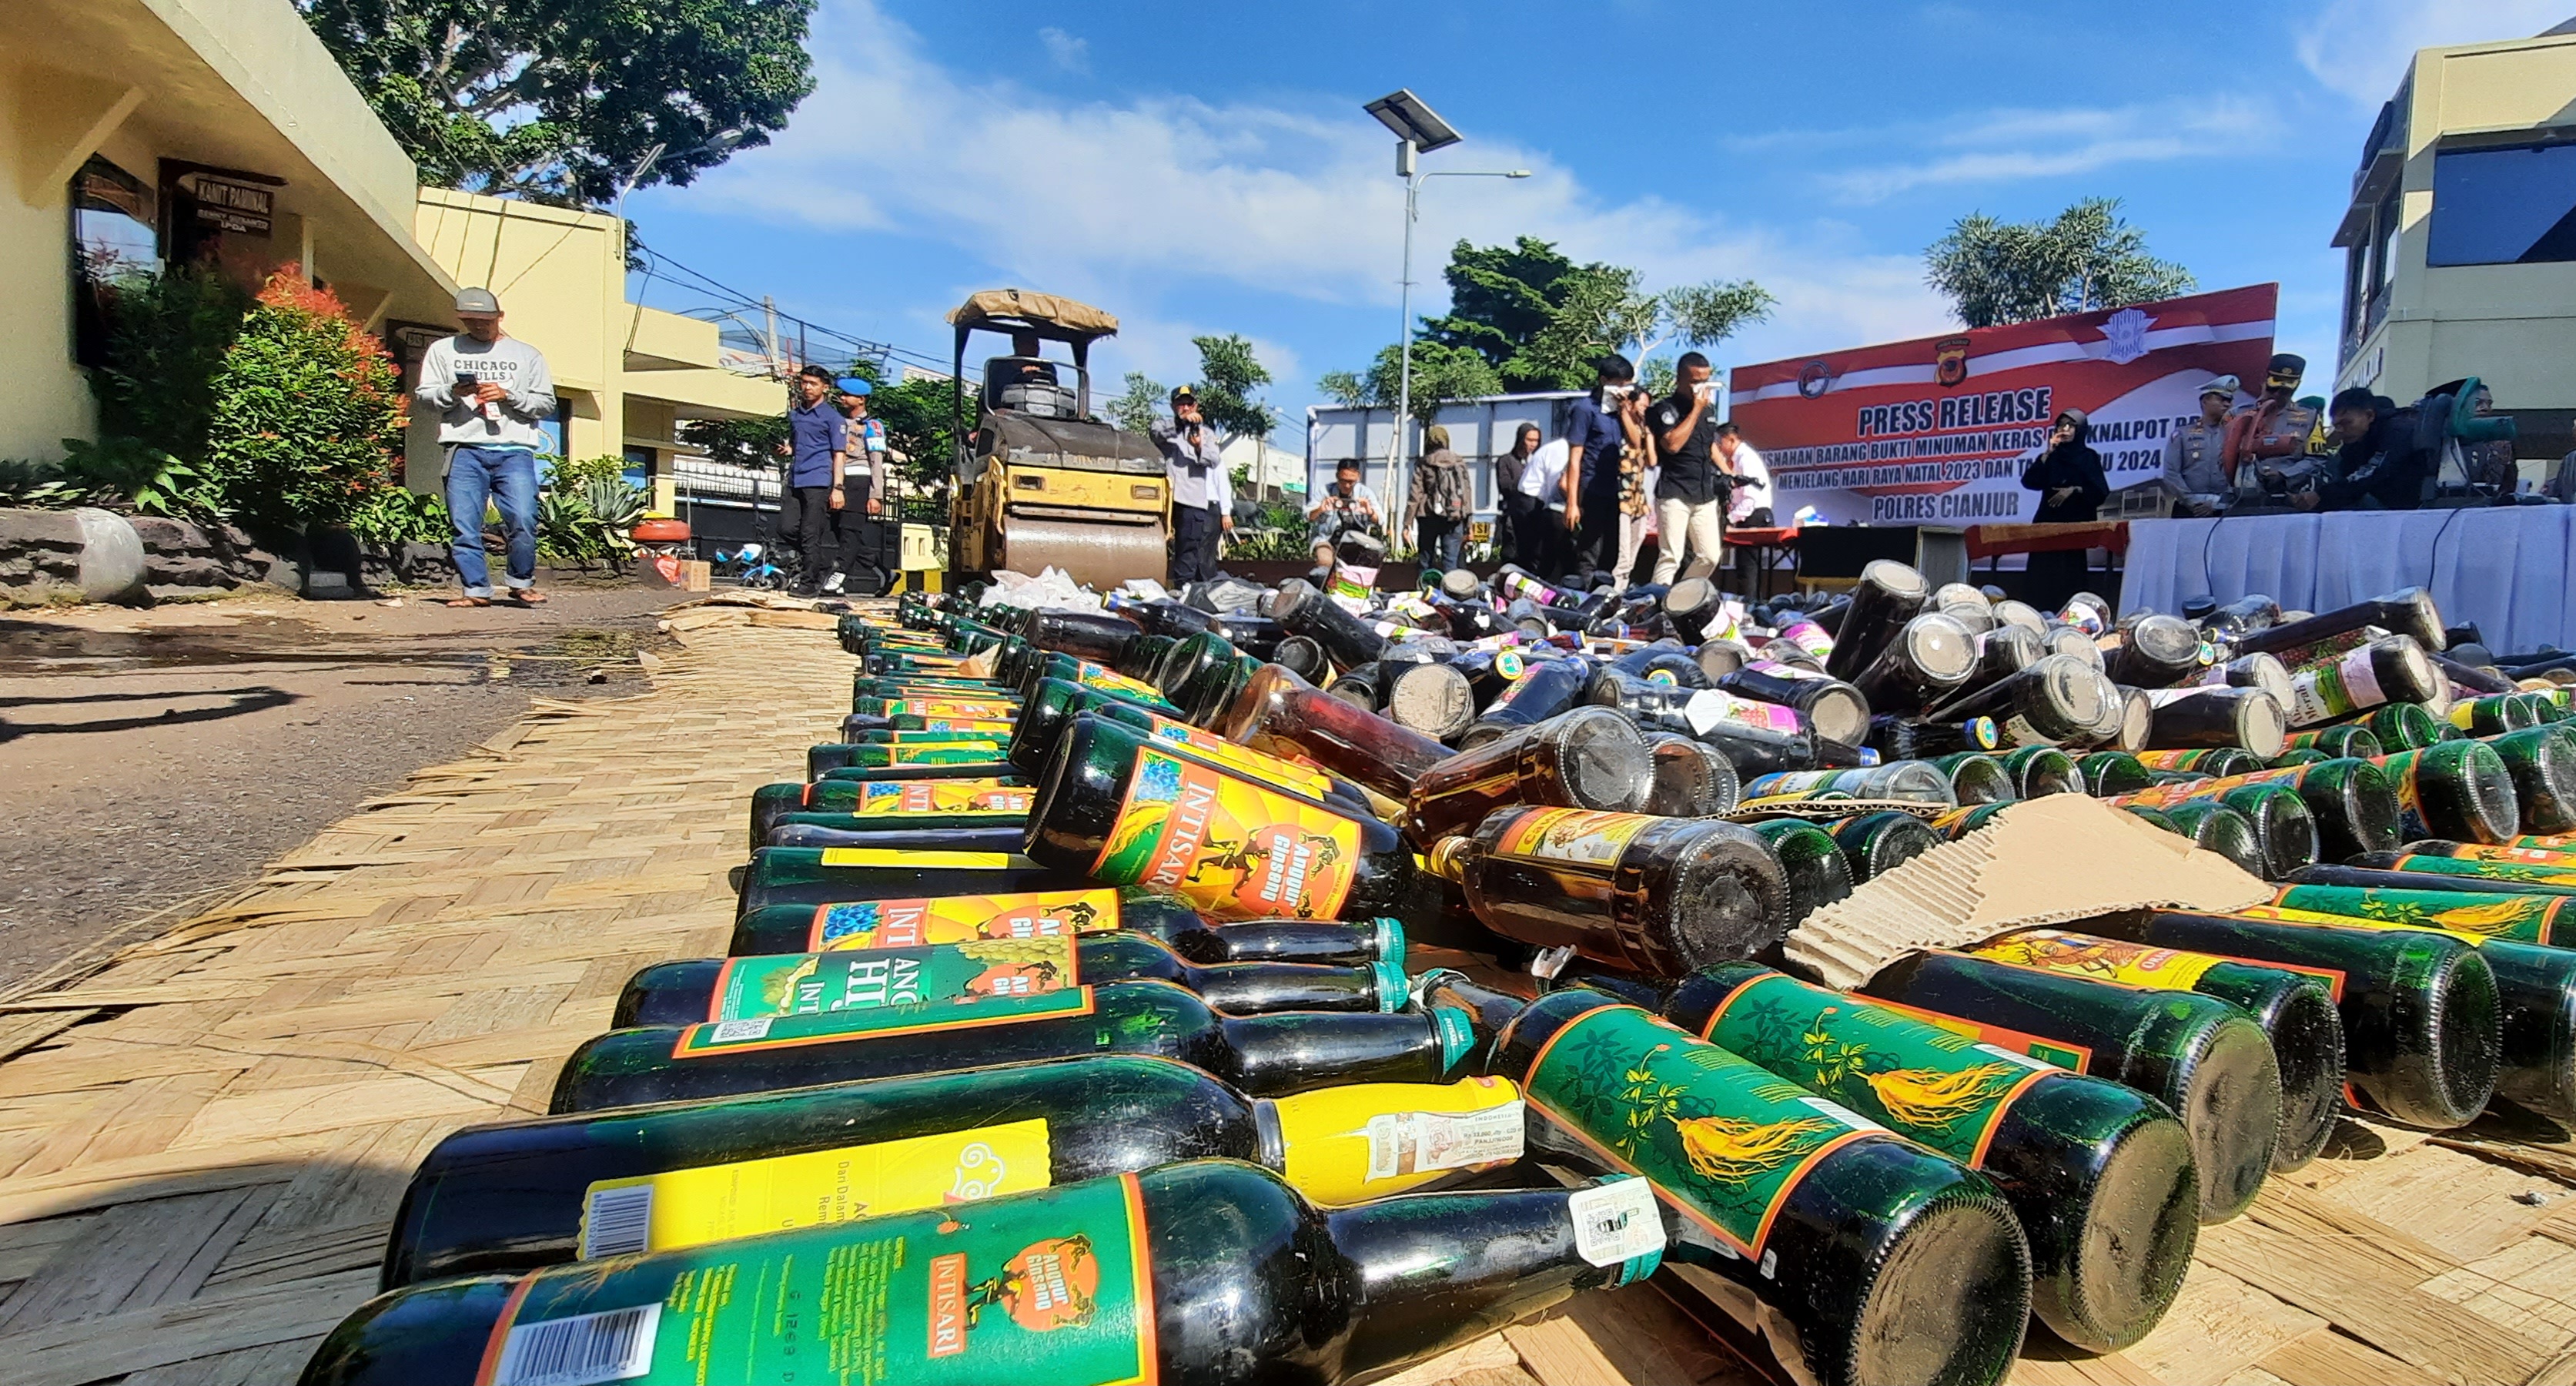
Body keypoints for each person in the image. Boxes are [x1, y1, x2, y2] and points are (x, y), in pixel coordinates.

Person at [417, 287, 557, 608]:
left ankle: (521, 583)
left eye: (485, 320)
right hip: (464, 447)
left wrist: (509, 395)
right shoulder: (443, 350)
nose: (479, 326)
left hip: (515, 449)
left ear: (500, 317)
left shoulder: (527, 355)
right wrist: (453, 392)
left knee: (523, 518)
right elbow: (425, 396)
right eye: (470, 320)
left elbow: (546, 403)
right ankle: (475, 590)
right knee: (465, 523)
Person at [1648, 352, 1726, 585]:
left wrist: (1728, 471)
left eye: (1705, 380)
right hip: (1675, 491)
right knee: (1671, 556)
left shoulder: (1709, 411)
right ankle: (1656, 599)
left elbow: (1709, 445)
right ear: (1679, 379)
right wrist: (1695, 410)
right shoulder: (1665, 409)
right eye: (1694, 381)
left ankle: (1682, 595)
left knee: (1710, 556)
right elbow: (1672, 445)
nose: (1700, 387)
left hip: (1704, 492)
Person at [2019, 410, 2109, 610]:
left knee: (2069, 577)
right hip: (2047, 525)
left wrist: (2074, 490)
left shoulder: (2088, 457)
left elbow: (2100, 492)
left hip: (2072, 528)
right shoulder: (2052, 457)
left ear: (2081, 429)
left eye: (2071, 425)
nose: (2065, 429)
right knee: (2041, 576)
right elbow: (2030, 482)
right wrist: (2048, 453)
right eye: (2061, 425)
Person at [773, 364, 848, 597]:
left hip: (819, 480)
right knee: (786, 528)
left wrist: (838, 488)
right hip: (796, 478)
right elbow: (799, 444)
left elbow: (839, 455)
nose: (807, 387)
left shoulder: (833, 418)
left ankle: (809, 583)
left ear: (825, 388)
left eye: (813, 384)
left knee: (810, 533)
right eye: (804, 382)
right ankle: (822, 565)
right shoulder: (796, 415)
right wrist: (788, 450)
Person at [1561, 354, 1634, 587]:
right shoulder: (1584, 409)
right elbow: (1575, 458)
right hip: (1590, 489)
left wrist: (1625, 411)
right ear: (1604, 381)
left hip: (1613, 489)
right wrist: (1572, 503)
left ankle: (1604, 595)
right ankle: (1584, 595)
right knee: (1589, 552)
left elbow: (1636, 442)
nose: (1624, 390)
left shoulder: (1619, 412)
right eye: (1619, 384)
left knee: (1611, 552)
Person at [2297, 388, 2434, 511]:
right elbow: (2345, 477)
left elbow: (2376, 470)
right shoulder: (2355, 440)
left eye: (2347, 423)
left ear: (2369, 416)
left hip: (2410, 507)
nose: (2341, 430)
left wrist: (2321, 495)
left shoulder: (2398, 429)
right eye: (2337, 425)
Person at [1153, 386, 1232, 586]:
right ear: (1173, 406)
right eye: (1181, 404)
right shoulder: (1165, 427)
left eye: (1189, 404)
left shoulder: (1206, 434)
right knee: (1156, 543)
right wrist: (1181, 423)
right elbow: (1155, 434)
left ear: (1196, 406)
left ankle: (1183, 588)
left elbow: (1214, 460)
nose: (1186, 408)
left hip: (1191, 500)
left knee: (1188, 548)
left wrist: (1198, 447)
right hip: (1165, 499)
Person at [2223, 353, 2324, 497]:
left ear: (2297, 385)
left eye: (2285, 391)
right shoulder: (2238, 415)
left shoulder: (2310, 417)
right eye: (2273, 388)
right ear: (2265, 380)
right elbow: (2221, 456)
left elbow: (2317, 459)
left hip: (2288, 495)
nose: (2277, 394)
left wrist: (2285, 474)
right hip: (2241, 494)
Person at [832, 377, 891, 595]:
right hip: (839, 482)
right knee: (840, 531)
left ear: (861, 399)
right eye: (842, 394)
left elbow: (876, 462)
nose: (842, 398)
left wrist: (876, 495)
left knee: (850, 532)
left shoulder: (873, 426)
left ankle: (838, 578)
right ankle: (884, 571)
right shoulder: (838, 422)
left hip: (859, 481)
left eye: (847, 395)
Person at [2160, 376, 2240, 516]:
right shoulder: (2183, 434)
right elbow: (2171, 473)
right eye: (2221, 399)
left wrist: (2219, 504)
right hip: (2188, 508)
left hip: (2225, 507)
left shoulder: (2235, 435)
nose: (2227, 404)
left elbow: (2241, 473)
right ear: (2205, 401)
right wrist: (2192, 502)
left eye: (2230, 400)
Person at [1406, 424, 1472, 571]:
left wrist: (1407, 523)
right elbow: (1466, 493)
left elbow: (1415, 494)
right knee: (1451, 561)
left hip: (1428, 515)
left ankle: (1425, 584)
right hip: (1454, 515)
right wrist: (1468, 523)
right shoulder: (1459, 462)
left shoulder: (1424, 463)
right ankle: (1450, 585)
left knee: (1426, 559)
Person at [1306, 457, 1382, 571]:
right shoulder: (1325, 491)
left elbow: (1381, 520)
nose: (1347, 485)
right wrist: (1321, 509)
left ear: (1358, 477)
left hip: (1356, 543)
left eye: (1351, 482)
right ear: (1337, 476)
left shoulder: (1366, 493)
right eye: (1343, 481)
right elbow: (1308, 517)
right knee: (1324, 562)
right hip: (1327, 540)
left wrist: (1369, 511)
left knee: (1355, 568)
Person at [1517, 434, 1574, 578]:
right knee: (1541, 558)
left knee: (1543, 557)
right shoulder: (1565, 450)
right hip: (1535, 502)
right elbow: (1562, 484)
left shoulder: (1554, 447)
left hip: (1537, 502)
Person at [1493, 423, 1543, 566]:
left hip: (1535, 517)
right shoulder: (1506, 461)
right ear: (1521, 439)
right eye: (1530, 440)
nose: (1533, 444)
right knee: (1512, 556)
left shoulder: (1538, 461)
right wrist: (1527, 479)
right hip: (1514, 518)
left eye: (1536, 440)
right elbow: (1505, 486)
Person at [1719, 424, 1771, 526]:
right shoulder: (1735, 459)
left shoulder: (1746, 458)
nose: (1719, 448)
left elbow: (1750, 499)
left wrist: (1729, 520)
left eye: (1720, 443)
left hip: (1754, 518)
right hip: (1743, 517)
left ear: (1731, 440)